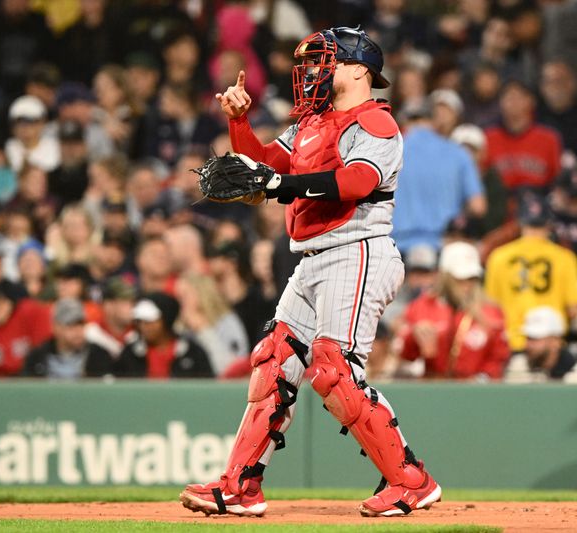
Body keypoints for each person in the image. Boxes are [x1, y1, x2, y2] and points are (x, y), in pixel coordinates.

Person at [180, 27, 440, 518]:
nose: (314, 72)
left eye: (327, 62)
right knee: (275, 360)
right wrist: (240, 123)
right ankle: (240, 486)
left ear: (360, 70)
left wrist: (279, 182)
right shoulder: (310, 123)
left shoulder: (376, 122)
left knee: (333, 369)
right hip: (315, 257)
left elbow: (357, 180)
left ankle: (411, 481)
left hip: (358, 248)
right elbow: (263, 167)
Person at [395, 242, 509, 380]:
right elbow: (405, 355)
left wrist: (482, 379)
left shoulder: (490, 312)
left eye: (471, 279)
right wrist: (414, 337)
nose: (466, 286)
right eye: (459, 280)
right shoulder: (423, 306)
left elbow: (499, 356)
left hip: (477, 390)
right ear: (445, 277)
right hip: (434, 387)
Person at [485, 194, 577, 353]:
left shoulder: (498, 256)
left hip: (510, 340)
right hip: (550, 345)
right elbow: (573, 309)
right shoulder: (565, 258)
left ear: (521, 222)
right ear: (549, 224)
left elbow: (491, 306)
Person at [392, 100, 486, 255]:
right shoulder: (457, 153)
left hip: (398, 244)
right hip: (443, 244)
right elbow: (478, 206)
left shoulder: (391, 151)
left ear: (403, 122)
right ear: (433, 121)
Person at [114, 292, 213, 378]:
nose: (144, 327)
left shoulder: (192, 352)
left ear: (166, 319)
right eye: (140, 321)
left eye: (149, 321)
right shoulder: (130, 353)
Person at [23, 298, 114, 378]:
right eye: (71, 325)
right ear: (56, 327)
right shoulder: (37, 358)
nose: (78, 330)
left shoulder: (99, 356)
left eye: (81, 324)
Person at [505, 306, 577, 383]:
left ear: (555, 341)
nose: (527, 344)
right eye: (527, 338)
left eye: (535, 338)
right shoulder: (516, 367)